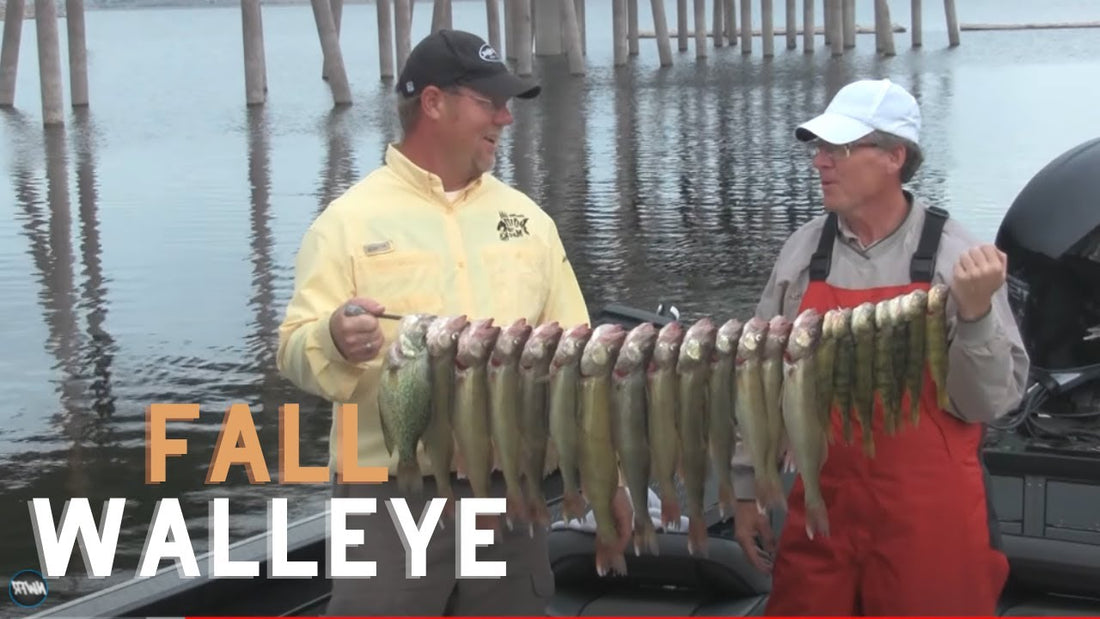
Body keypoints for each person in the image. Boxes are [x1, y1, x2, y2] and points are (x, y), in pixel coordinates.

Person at [276, 29, 628, 616]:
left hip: (513, 495)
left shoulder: (530, 222)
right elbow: (291, 349)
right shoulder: (345, 223)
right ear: (434, 103)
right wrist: (332, 338)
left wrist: (607, 475)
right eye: (491, 103)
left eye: (507, 104)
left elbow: (582, 363)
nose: (506, 119)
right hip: (390, 500)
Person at [730, 78, 1030, 616]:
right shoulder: (804, 252)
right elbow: (761, 379)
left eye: (840, 149)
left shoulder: (957, 257)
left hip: (929, 521)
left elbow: (990, 403)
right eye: (818, 149)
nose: (820, 162)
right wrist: (748, 487)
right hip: (824, 513)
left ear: (895, 156)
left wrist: (977, 313)